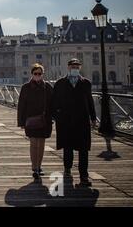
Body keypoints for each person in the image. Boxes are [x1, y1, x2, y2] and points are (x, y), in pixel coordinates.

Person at [51, 58, 97, 187]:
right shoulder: (60, 83)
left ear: (80, 68)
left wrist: (93, 118)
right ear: (68, 67)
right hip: (65, 121)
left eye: (77, 66)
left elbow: (90, 101)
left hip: (82, 120)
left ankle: (84, 176)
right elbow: (54, 102)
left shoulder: (86, 83)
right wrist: (56, 116)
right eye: (73, 66)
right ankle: (67, 169)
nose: (75, 68)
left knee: (83, 149)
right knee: (67, 147)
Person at [17, 64, 53, 179]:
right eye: (35, 73)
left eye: (39, 74)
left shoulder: (47, 87)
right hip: (30, 120)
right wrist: (21, 122)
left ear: (43, 74)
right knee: (33, 144)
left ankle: (39, 166)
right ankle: (34, 167)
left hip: (45, 120)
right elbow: (21, 106)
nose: (37, 75)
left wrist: (55, 117)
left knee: (41, 144)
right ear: (32, 74)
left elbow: (53, 104)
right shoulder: (25, 87)